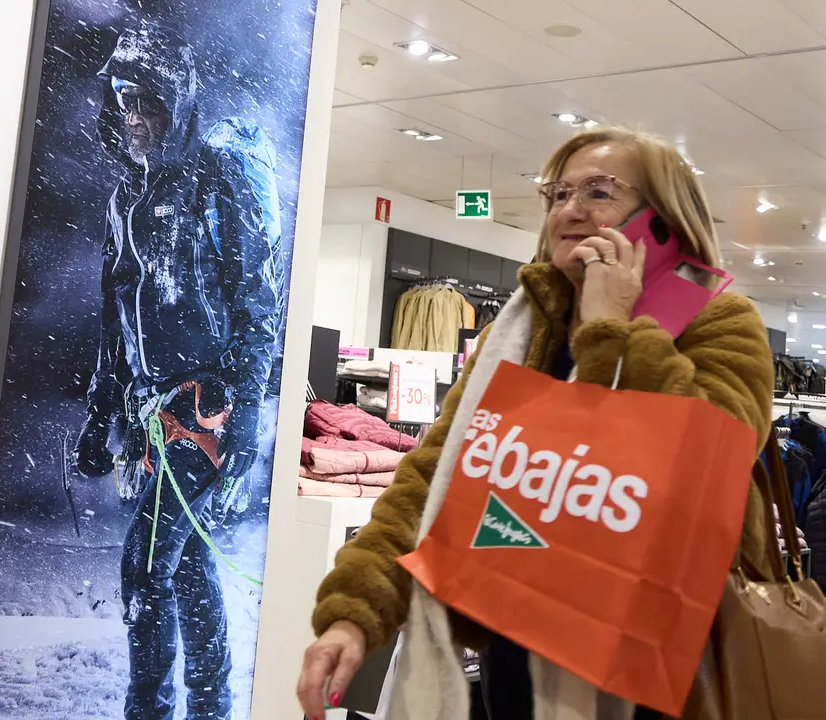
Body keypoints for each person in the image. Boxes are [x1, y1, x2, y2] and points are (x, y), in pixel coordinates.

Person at [296, 127, 775, 720]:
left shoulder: (723, 323)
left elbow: (701, 477)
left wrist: (613, 335)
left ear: (662, 221)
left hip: (659, 670)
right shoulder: (521, 331)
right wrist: (353, 613)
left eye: (599, 192)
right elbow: (432, 478)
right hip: (517, 653)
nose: (570, 210)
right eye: (558, 194)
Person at [73, 24, 283, 720]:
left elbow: (256, 302)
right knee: (184, 568)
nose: (134, 118)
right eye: (124, 101)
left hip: (204, 412)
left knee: (145, 569)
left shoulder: (217, 180)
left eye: (150, 103)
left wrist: (245, 414)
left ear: (178, 105)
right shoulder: (120, 200)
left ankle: (152, 712)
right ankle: (209, 708)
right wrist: (101, 417)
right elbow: (115, 317)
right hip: (147, 416)